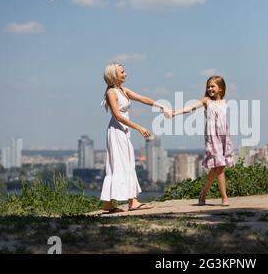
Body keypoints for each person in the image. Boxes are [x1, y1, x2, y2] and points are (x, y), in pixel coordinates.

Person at [100, 63, 170, 213]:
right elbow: (117, 115)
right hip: (117, 131)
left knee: (125, 163)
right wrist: (139, 127)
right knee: (122, 164)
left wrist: (161, 106)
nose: (126, 74)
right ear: (114, 75)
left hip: (123, 131)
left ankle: (109, 204)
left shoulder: (123, 90)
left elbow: (143, 99)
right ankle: (132, 201)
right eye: (122, 72)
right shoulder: (111, 93)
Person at [172, 75, 233, 206]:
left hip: (223, 136)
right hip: (212, 137)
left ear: (221, 89)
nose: (210, 88)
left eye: (213, 86)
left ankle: (202, 194)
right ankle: (224, 197)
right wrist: (175, 112)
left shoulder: (225, 102)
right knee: (220, 166)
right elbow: (191, 107)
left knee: (215, 169)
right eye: (208, 86)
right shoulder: (206, 101)